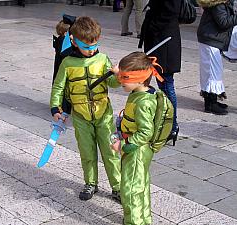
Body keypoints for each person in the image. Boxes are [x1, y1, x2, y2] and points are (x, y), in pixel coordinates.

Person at [50, 16, 121, 201]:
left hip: (104, 114)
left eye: (94, 46)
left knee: (111, 151)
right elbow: (58, 87)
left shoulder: (103, 59)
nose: (91, 51)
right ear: (74, 41)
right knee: (87, 152)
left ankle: (118, 186)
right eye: (87, 47)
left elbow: (112, 83)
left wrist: (118, 76)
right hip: (81, 117)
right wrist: (55, 108)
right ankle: (91, 183)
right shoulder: (67, 63)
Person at [111, 52, 165, 225]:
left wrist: (124, 144)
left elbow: (146, 132)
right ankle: (144, 220)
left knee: (131, 189)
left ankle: (134, 222)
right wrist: (118, 72)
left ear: (141, 79)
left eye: (124, 77)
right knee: (140, 185)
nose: (120, 81)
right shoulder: (141, 91)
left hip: (137, 150)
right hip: (137, 149)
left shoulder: (143, 103)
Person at [138, 0, 181, 145]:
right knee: (163, 84)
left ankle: (172, 127)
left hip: (164, 41)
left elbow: (171, 11)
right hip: (159, 39)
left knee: (167, 84)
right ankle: (167, 124)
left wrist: (153, 27)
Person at [197, 0, 237, 115]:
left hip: (211, 38)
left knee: (211, 71)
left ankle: (211, 100)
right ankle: (210, 104)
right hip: (210, 39)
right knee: (212, 72)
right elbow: (223, 23)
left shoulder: (219, 3)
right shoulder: (218, 4)